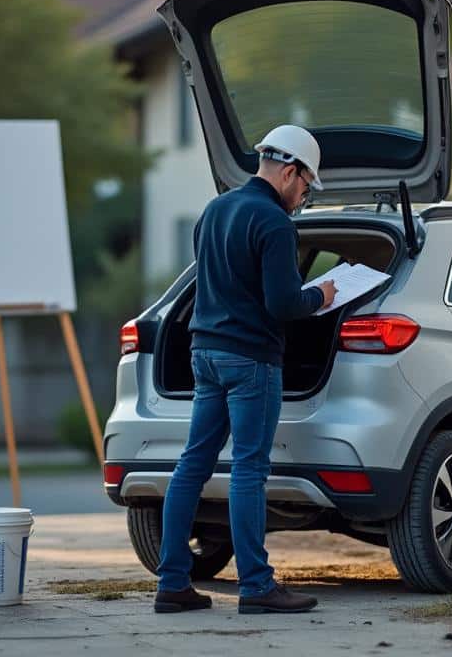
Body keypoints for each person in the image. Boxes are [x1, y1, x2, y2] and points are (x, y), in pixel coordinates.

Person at [154, 124, 337, 615]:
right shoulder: (275, 223)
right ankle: (257, 587)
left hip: (205, 354)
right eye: (305, 185)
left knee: (192, 463)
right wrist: (321, 294)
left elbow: (216, 284)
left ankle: (172, 584)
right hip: (252, 361)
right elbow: (281, 304)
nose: (302, 197)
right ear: (290, 171)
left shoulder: (214, 211)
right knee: (249, 470)